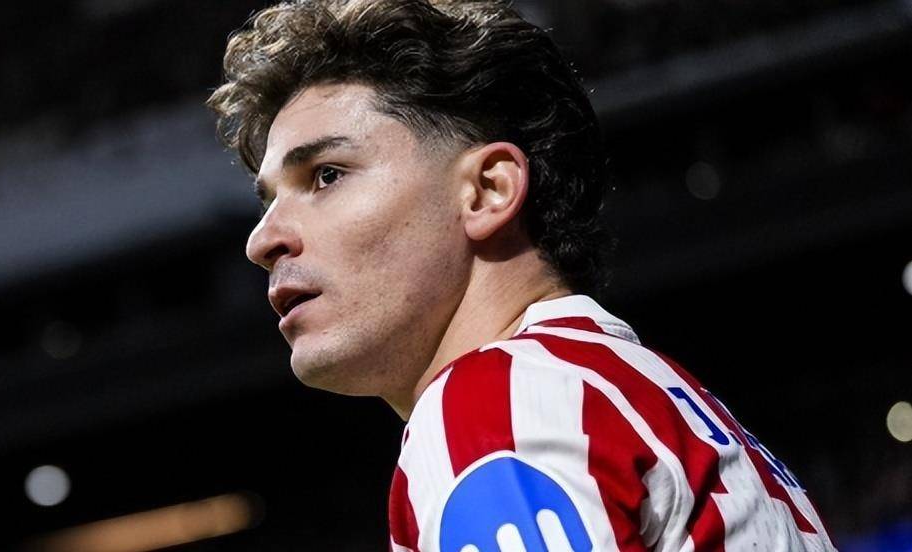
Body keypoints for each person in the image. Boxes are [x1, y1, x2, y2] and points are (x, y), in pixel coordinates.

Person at [206, 1, 837, 550]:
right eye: (269, 201)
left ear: (487, 191)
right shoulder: (631, 390)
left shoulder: (496, 403)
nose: (262, 241)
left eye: (326, 176)